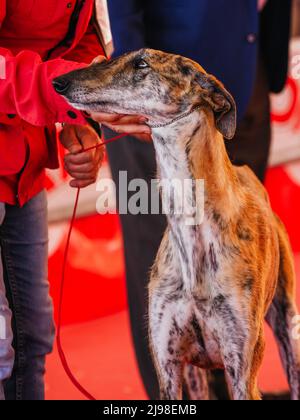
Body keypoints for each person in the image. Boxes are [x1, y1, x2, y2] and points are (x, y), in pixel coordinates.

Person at [106, 0, 292, 400]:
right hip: (163, 103)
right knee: (158, 267)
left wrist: (269, 64)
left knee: (239, 264)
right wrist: (132, 90)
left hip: (247, 80)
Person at [0, 0, 150, 400]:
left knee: (32, 336)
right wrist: (65, 96)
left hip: (21, 167)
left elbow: (80, 41)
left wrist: (77, 117)